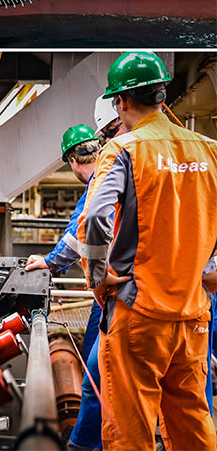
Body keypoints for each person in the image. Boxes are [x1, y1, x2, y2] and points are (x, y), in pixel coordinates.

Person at [77, 51, 217, 451]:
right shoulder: (209, 149)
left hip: (139, 315)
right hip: (194, 317)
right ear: (161, 93)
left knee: (130, 429)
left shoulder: (123, 149)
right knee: (192, 425)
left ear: (120, 102)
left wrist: (98, 276)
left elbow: (97, 218)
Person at [26, 115, 123, 451]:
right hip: (178, 291)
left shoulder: (103, 178)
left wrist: (51, 263)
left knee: (98, 374)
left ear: (71, 160)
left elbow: (81, 230)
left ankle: (84, 445)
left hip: (118, 293)